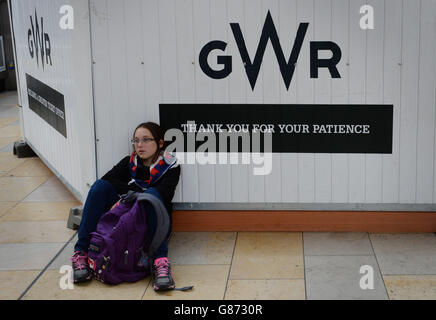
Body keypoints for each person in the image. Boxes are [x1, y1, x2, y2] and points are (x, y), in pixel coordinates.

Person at [71, 122, 180, 291]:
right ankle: (82, 253)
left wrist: (131, 195)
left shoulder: (170, 165)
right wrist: (129, 196)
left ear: (159, 143)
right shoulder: (129, 162)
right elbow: (108, 179)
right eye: (136, 140)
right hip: (123, 218)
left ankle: (160, 262)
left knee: (150, 196)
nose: (139, 145)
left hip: (151, 220)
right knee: (99, 187)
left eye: (145, 140)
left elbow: (164, 194)